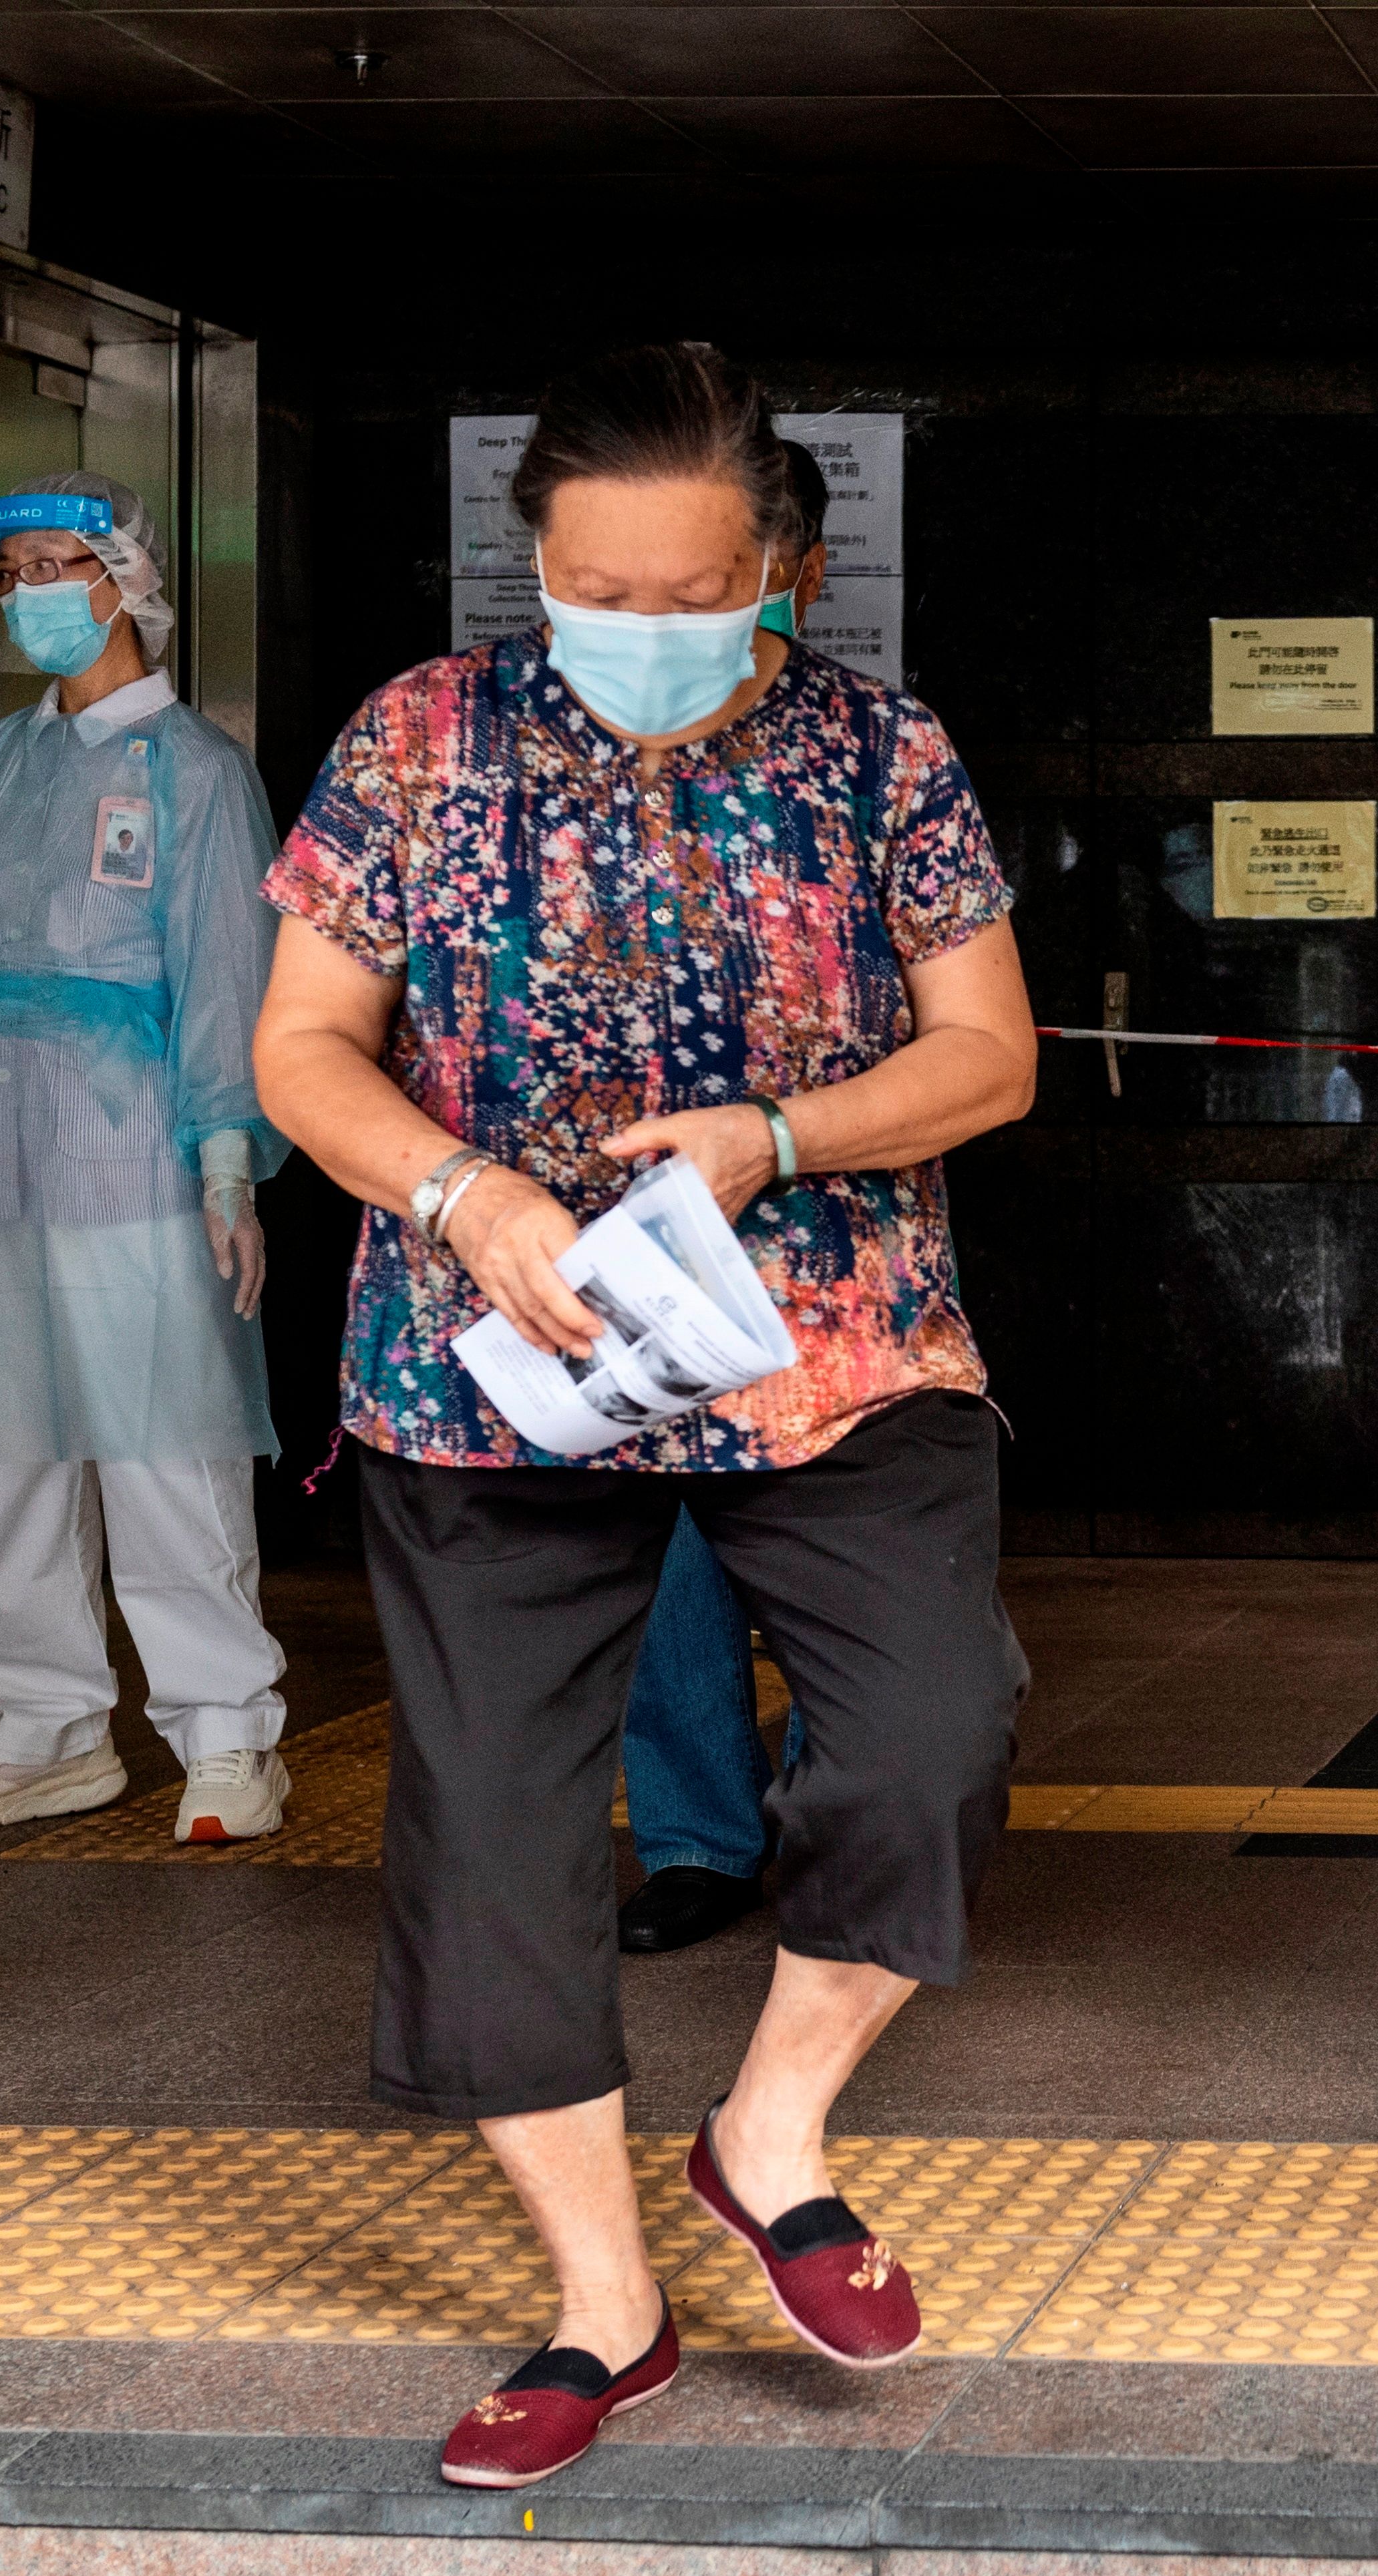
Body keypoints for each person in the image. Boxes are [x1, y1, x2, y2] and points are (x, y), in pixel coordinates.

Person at [254, 342, 1034, 2491]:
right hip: (493, 1355)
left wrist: (778, 1136)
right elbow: (305, 1045)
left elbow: (992, 1053)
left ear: (778, 566)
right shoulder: (417, 739)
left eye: (693, 594)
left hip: (834, 1339)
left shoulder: (883, 750)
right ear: (535, 559)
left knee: (931, 1734)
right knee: (498, 1830)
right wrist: (463, 1188)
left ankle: (768, 2131)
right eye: (592, 586)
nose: (640, 630)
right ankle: (606, 2308)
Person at [0, 475, 293, 1845]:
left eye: (57, 563)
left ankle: (227, 1734)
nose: (30, 591)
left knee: (165, 1438)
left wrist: (227, 1155)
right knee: (18, 1443)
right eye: (9, 569)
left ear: (126, 575)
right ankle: (45, 1722)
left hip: (135, 1150)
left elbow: (232, 969)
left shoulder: (198, 771)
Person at [613, 437, 832, 1958]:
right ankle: (697, 1835)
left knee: (833, 1541)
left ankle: (834, 1820)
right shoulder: (586, 742)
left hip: (823, 1220)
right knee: (665, 1541)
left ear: (792, 571)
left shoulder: (863, 751)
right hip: (640, 1217)